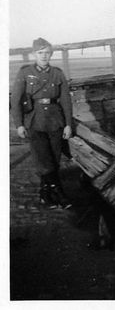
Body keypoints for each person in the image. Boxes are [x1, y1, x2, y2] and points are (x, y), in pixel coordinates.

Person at [11, 37, 73, 209]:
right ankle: (60, 193)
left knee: (54, 159)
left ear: (51, 54)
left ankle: (45, 195)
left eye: (47, 53)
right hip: (34, 120)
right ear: (34, 54)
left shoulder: (57, 73)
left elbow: (66, 101)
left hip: (55, 120)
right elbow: (15, 100)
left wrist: (68, 124)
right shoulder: (25, 72)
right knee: (44, 160)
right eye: (40, 53)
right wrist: (19, 124)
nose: (44, 56)